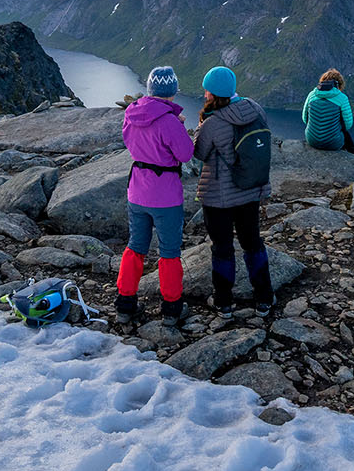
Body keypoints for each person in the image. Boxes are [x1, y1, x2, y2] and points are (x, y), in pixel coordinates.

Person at [115, 66, 195, 326]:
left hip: (137, 190)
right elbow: (185, 154)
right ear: (172, 92)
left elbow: (129, 142)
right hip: (166, 196)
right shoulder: (169, 120)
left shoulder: (131, 113)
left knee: (135, 247)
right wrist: (181, 128)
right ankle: (172, 309)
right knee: (169, 252)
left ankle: (125, 305)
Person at [193, 65, 273, 317]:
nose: (204, 94)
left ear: (213, 93)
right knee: (252, 243)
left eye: (206, 90)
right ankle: (264, 298)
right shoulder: (255, 108)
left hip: (219, 197)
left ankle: (224, 302)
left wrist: (199, 127)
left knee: (223, 247)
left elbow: (199, 153)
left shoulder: (213, 122)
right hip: (250, 190)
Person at [302, 67, 354, 155]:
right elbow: (348, 124)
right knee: (344, 132)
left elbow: (304, 118)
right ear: (338, 84)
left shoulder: (312, 95)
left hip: (312, 141)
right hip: (333, 144)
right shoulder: (342, 98)